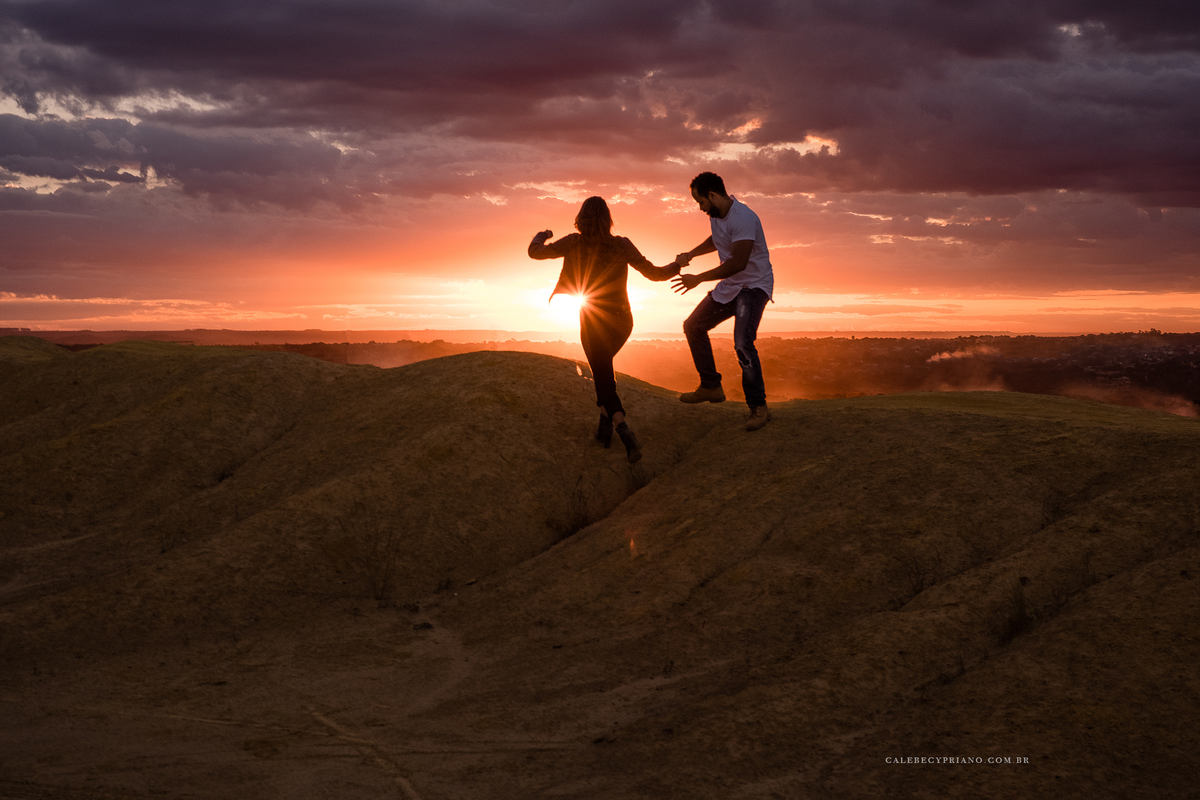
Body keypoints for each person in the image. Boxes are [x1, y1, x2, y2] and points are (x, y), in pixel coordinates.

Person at [528, 196, 681, 462]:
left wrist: (542, 235)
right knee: (603, 371)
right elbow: (655, 274)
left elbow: (535, 252)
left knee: (601, 374)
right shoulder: (621, 244)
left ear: (581, 218)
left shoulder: (573, 242)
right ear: (608, 219)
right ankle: (604, 428)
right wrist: (678, 263)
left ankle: (624, 431)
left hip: (592, 321)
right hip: (623, 322)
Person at [671, 171, 774, 431]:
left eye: (701, 202)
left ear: (712, 195)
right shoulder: (718, 216)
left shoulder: (744, 218)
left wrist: (698, 278)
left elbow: (738, 263)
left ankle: (758, 407)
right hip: (731, 286)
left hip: (753, 286)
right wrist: (692, 253)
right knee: (693, 326)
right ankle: (711, 387)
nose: (701, 208)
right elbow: (717, 240)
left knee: (742, 342)